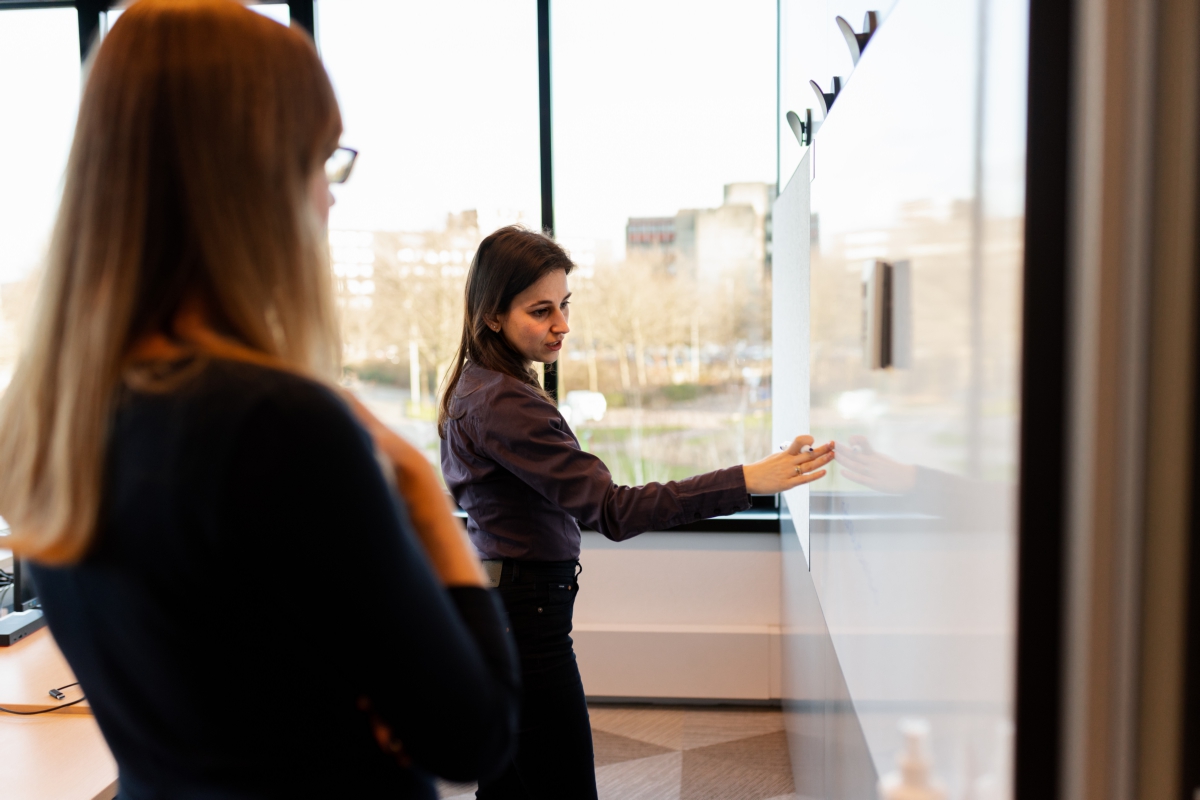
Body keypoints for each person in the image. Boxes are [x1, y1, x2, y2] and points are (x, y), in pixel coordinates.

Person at [0, 2, 517, 798]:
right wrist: (415, 483)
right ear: (244, 179)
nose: (329, 199)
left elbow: (237, 666)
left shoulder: (45, 419)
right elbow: (472, 732)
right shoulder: (275, 425)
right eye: (318, 162)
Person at [439, 225, 834, 799]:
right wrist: (748, 480)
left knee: (510, 786)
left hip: (507, 604)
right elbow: (612, 509)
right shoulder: (504, 401)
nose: (562, 326)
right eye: (541, 310)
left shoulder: (474, 388)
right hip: (525, 617)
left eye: (566, 305)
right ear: (492, 315)